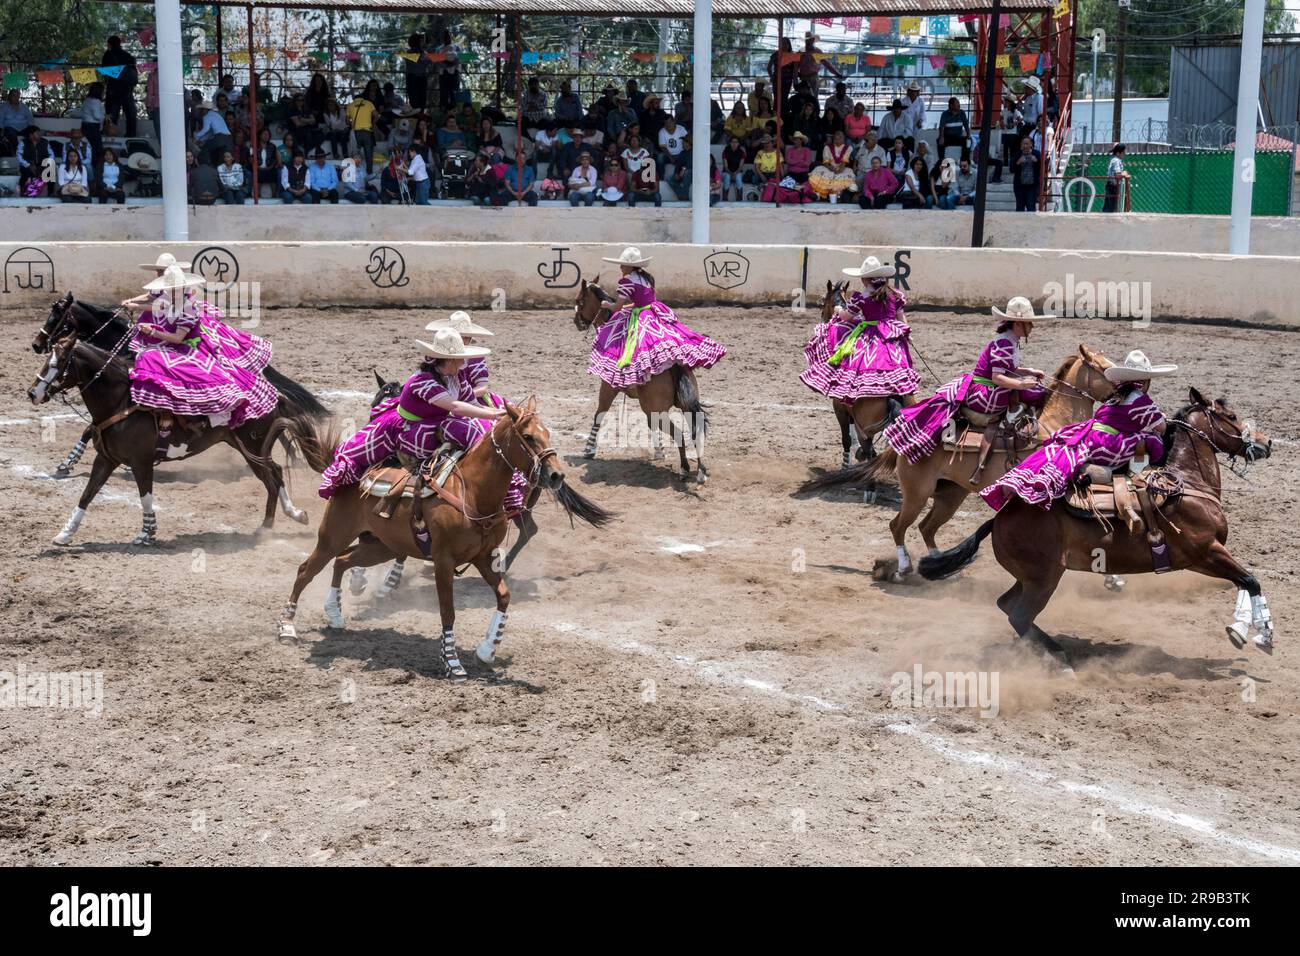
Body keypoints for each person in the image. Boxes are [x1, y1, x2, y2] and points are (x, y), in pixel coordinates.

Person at [318, 330, 507, 500]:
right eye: (460, 359)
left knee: (470, 429)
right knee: (354, 455)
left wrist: (502, 413)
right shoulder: (422, 380)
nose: (463, 363)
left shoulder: (455, 378)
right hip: (404, 428)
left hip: (435, 424)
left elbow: (472, 404)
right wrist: (492, 416)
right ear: (449, 360)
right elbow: (456, 407)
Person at [981, 349, 1174, 513]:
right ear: (1146, 381)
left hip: (1092, 435)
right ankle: (1143, 475)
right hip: (1106, 442)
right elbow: (1162, 427)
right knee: (1153, 439)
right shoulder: (1139, 399)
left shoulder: (1117, 394)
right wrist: (1158, 418)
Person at [884, 296, 1049, 470]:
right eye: (1029, 323)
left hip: (987, 386)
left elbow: (1009, 369)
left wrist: (1029, 372)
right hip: (984, 392)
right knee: (1031, 392)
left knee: (1034, 390)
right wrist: (1022, 385)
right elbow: (997, 378)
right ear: (1017, 324)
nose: (1032, 327)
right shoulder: (1004, 344)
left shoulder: (1010, 341)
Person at [124, 266, 276, 433]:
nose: (171, 292)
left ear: (183, 288)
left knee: (151, 357)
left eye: (174, 289)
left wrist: (153, 331)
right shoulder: (171, 300)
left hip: (187, 348)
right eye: (169, 289)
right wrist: (134, 305)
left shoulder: (188, 308)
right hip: (176, 344)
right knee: (145, 355)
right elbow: (157, 307)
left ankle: (176, 412)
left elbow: (177, 338)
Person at [586, 247, 726, 393]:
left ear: (630, 266)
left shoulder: (626, 282)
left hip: (643, 315)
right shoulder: (646, 278)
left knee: (632, 341)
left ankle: (632, 377)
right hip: (655, 310)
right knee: (670, 335)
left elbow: (616, 307)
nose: (620, 267)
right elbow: (643, 301)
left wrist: (607, 304)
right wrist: (629, 307)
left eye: (622, 264)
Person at [801, 255, 920, 417]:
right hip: (893, 335)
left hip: (872, 335)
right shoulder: (895, 294)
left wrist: (837, 311)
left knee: (855, 361)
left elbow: (847, 317)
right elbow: (901, 317)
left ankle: (859, 397)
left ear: (866, 279)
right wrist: (907, 334)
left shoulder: (862, 296)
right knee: (900, 367)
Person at [101, 35, 139, 137]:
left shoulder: (108, 55)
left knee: (112, 114)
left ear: (109, 44)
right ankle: (131, 135)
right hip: (127, 89)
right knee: (130, 114)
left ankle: (110, 134)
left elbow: (104, 72)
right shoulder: (128, 56)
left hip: (114, 89)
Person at [809, 130, 856, 202]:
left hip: (842, 168)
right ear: (833, 139)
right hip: (829, 168)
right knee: (817, 175)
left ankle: (838, 197)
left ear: (843, 139)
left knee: (843, 179)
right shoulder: (827, 147)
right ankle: (823, 196)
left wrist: (839, 171)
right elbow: (825, 162)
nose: (837, 140)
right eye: (836, 139)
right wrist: (831, 168)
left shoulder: (848, 148)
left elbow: (844, 161)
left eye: (840, 138)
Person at [798, 31, 842, 96]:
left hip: (814, 77)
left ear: (813, 40)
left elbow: (827, 63)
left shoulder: (817, 51)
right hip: (804, 78)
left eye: (810, 39)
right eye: (807, 40)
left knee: (814, 97)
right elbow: (796, 66)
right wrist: (796, 75)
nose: (808, 41)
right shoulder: (800, 52)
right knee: (804, 97)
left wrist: (836, 73)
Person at [991, 93, 1022, 183]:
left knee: (1011, 149)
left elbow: (1020, 118)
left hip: (1012, 133)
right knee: (1005, 148)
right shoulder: (1003, 111)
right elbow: (1000, 118)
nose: (1005, 103)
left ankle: (1011, 164)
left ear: (1010, 102)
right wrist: (1001, 123)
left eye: (1007, 101)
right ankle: (1005, 163)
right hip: (1005, 132)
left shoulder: (1015, 111)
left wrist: (1014, 123)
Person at [346, 91, 378, 174]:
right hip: (367, 132)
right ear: (362, 98)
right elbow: (376, 115)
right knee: (368, 154)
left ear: (354, 98)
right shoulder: (369, 103)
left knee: (355, 154)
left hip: (356, 133)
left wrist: (351, 123)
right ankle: (369, 173)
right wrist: (372, 124)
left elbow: (347, 120)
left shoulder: (350, 105)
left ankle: (354, 173)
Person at [193, 101, 232, 166]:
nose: (201, 111)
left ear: (205, 109)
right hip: (228, 139)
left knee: (205, 148)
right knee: (221, 157)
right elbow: (210, 133)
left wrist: (196, 136)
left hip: (219, 137)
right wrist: (202, 139)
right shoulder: (217, 115)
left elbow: (206, 129)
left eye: (202, 109)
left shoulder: (207, 116)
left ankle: (202, 164)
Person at [1011, 136, 1041, 212]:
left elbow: (1042, 168)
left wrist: (1036, 161)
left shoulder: (1036, 154)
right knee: (1019, 207)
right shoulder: (1017, 155)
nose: (1025, 146)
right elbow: (1011, 169)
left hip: (1032, 186)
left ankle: (1031, 223)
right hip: (1019, 186)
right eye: (1023, 144)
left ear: (1031, 144)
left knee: (1031, 207)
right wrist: (1018, 162)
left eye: (1027, 144)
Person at [937, 96, 970, 163]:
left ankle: (964, 160)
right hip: (948, 137)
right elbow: (941, 127)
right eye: (957, 103)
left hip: (958, 137)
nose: (959, 105)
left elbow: (966, 124)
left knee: (968, 141)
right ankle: (941, 161)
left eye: (959, 103)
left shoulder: (962, 113)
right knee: (939, 141)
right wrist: (941, 137)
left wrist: (968, 134)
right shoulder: (945, 114)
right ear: (951, 105)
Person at [0, 90, 33, 154]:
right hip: (10, 128)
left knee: (33, 133)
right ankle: (16, 151)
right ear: (9, 97)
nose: (16, 98)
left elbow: (30, 120)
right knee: (10, 133)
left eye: (17, 96)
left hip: (23, 128)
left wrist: (33, 129)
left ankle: (30, 152)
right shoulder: (3, 107)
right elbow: (0, 119)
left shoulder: (24, 107)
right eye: (14, 96)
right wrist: (1, 129)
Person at [80, 82, 106, 163]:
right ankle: (96, 168)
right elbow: (97, 116)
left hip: (85, 125)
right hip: (93, 127)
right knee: (97, 149)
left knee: (88, 147)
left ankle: (88, 164)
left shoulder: (87, 100)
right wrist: (104, 116)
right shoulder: (96, 101)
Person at [436, 30, 462, 111]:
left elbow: (460, 59)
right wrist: (444, 64)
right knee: (443, 94)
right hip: (443, 74)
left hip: (454, 73)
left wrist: (452, 63)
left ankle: (454, 112)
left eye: (449, 36)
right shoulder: (439, 49)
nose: (447, 38)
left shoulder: (457, 47)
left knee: (454, 93)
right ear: (443, 38)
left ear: (451, 37)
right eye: (445, 37)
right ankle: (443, 112)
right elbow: (436, 61)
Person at [656, 115, 688, 179]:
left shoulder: (681, 129)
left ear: (674, 121)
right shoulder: (662, 131)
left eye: (670, 122)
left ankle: (681, 177)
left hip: (680, 153)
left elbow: (687, 142)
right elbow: (663, 147)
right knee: (660, 157)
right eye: (666, 123)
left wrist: (683, 153)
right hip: (668, 155)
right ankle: (661, 178)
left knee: (686, 157)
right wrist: (671, 157)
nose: (668, 124)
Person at [1103, 143, 1130, 213]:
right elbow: (1117, 174)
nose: (1125, 154)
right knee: (1111, 208)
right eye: (1123, 152)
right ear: (1118, 153)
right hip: (1113, 187)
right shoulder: (1116, 161)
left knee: (1108, 207)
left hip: (1111, 186)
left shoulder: (1114, 160)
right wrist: (1124, 173)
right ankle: (1108, 222)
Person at [720, 135, 747, 201]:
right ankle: (725, 198)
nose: (734, 144)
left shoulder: (741, 152)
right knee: (727, 177)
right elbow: (725, 166)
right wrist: (731, 174)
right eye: (732, 142)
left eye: (736, 142)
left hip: (738, 172)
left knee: (738, 177)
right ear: (730, 143)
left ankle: (739, 198)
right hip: (726, 172)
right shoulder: (725, 151)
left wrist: (735, 173)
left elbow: (740, 166)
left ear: (738, 143)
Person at [1018, 75, 1043, 141]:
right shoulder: (1027, 98)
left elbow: (1041, 113)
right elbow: (1025, 113)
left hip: (1034, 126)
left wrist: (1039, 126)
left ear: (1031, 89)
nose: (1024, 89)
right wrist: (1020, 104)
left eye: (1026, 87)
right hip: (1027, 125)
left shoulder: (1039, 98)